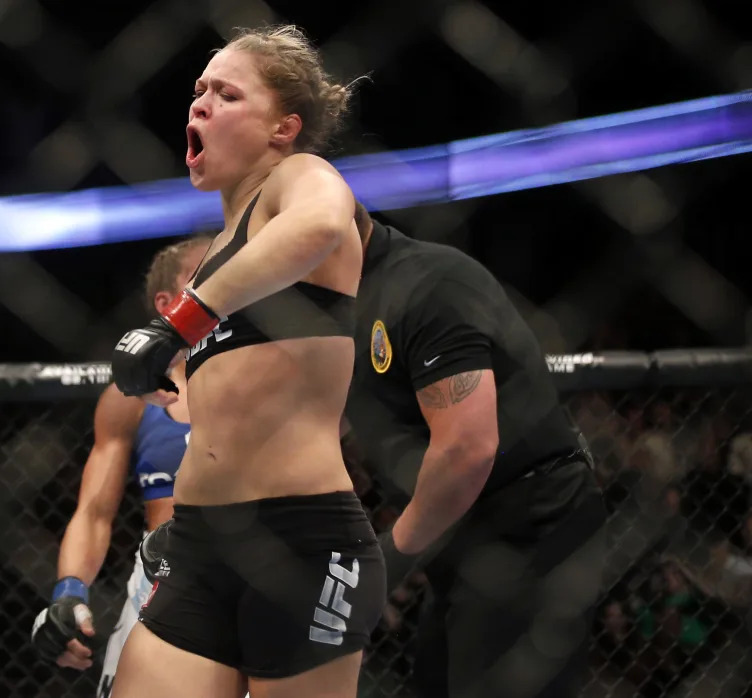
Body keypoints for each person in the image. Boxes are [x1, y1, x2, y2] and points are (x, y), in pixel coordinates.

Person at [106, 24, 386, 698]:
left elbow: (320, 226)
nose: (199, 103)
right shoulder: (230, 243)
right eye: (199, 90)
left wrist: (182, 322)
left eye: (226, 94)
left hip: (300, 536)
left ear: (282, 128)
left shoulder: (301, 178)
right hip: (198, 542)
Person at [344, 202, 607, 698]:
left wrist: (390, 559)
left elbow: (468, 448)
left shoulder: (425, 282)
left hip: (528, 521)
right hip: (460, 533)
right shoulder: (345, 305)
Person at [31, 236, 210, 697]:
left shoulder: (278, 377)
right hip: (162, 582)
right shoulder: (130, 399)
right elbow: (94, 512)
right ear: (168, 304)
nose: (225, 282)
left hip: (259, 571)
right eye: (204, 273)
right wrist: (69, 593)